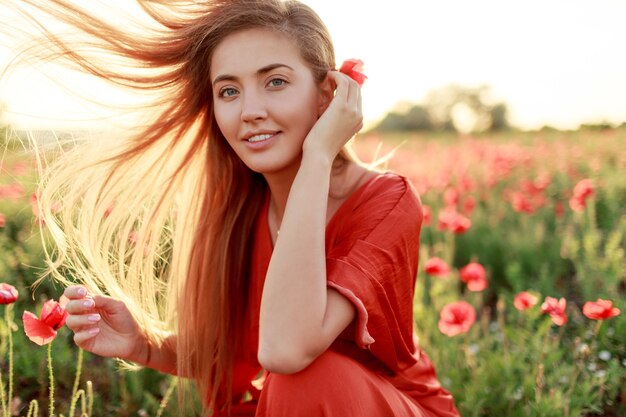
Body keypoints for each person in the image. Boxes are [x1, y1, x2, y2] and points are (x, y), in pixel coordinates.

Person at [13, 0, 459, 415]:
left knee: (303, 376)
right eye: (229, 91)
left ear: (328, 94)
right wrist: (143, 345)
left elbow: (285, 350)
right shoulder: (238, 208)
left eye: (276, 82)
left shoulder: (386, 199)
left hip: (395, 405)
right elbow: (234, 352)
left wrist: (321, 153)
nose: (250, 111)